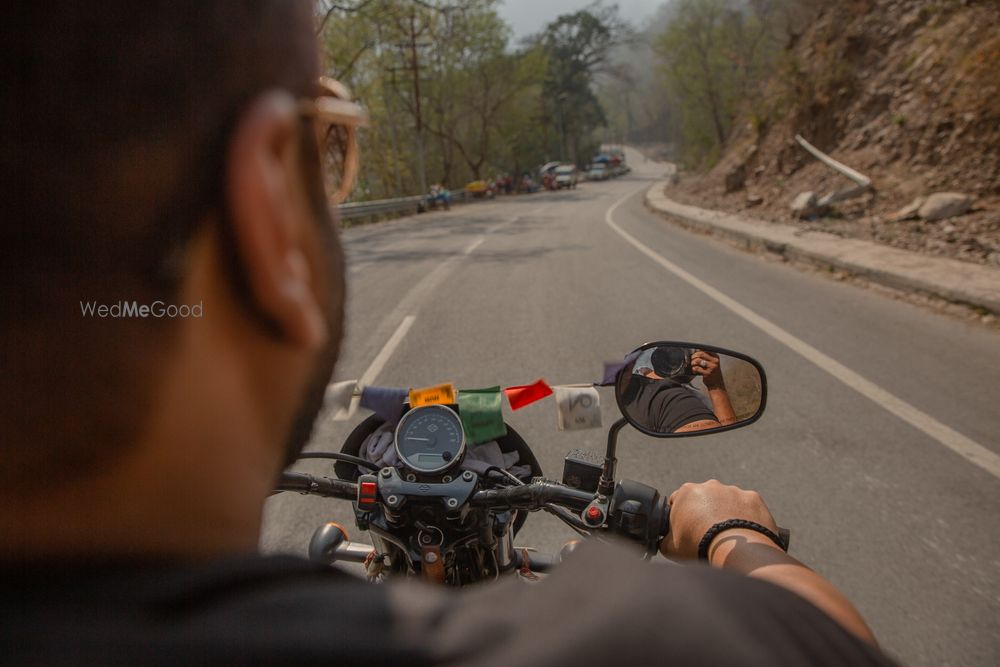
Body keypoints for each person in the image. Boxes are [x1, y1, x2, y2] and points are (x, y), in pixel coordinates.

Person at [2, 3, 897, 665]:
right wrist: (733, 536)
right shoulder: (629, 640)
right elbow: (825, 639)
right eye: (330, 149)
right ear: (267, 221)